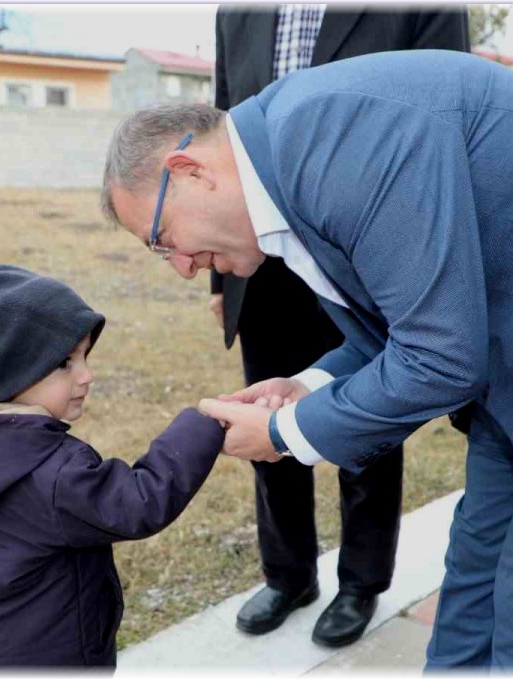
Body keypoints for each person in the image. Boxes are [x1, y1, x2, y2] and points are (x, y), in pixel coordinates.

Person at [100, 49, 513, 668]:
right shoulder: (293, 148)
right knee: (474, 571)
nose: (182, 267)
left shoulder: (334, 141)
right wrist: (308, 386)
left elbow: (440, 357)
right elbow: (402, 323)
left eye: (163, 240)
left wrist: (286, 433)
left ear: (189, 170)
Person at [211, 4, 470, 647]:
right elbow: (220, 126)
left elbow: (448, 104)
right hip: (258, 258)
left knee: (369, 412)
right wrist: (220, 280)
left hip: (361, 247)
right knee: (267, 407)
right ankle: (288, 574)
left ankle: (361, 580)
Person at [0, 265, 224, 667]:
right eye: (65, 362)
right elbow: (137, 503)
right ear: (7, 372)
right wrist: (204, 425)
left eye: (84, 356)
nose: (87, 375)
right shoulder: (50, 471)